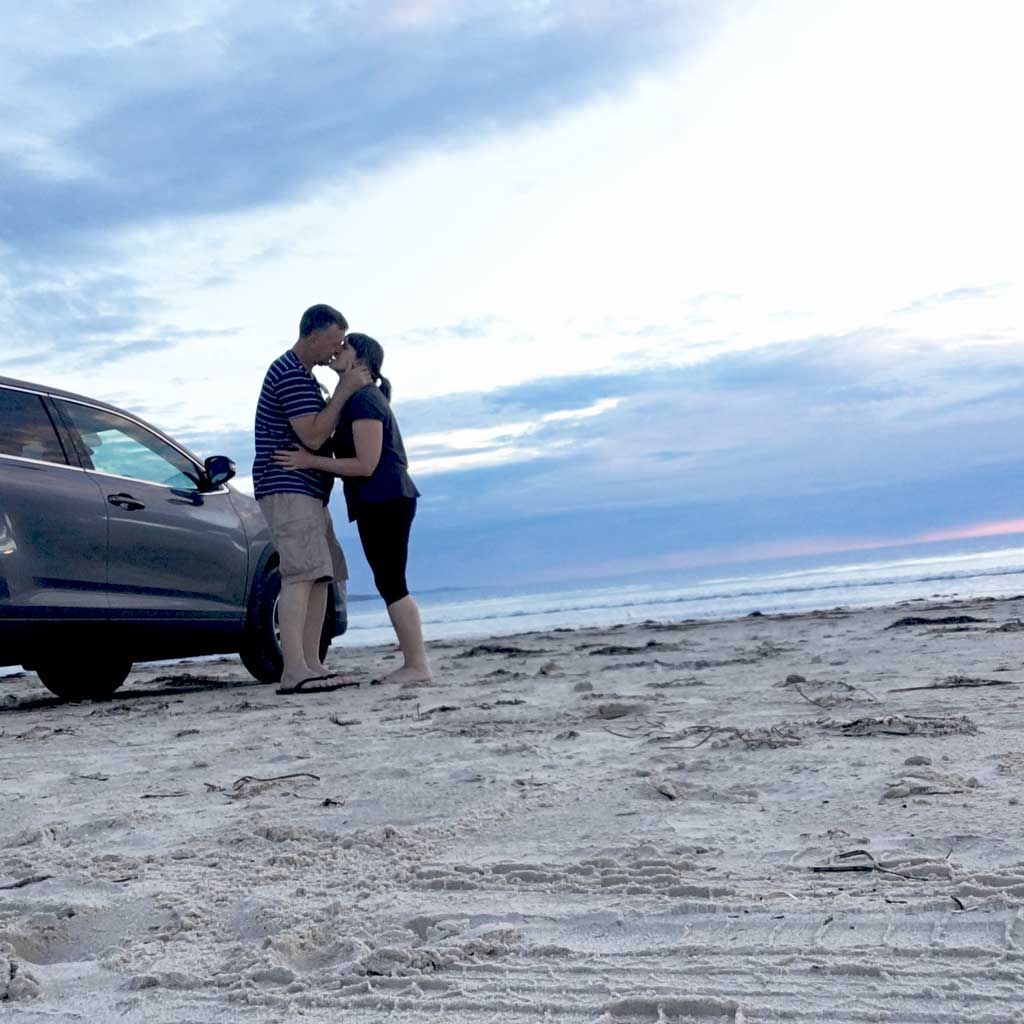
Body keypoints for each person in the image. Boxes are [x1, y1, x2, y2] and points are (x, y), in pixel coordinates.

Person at [273, 332, 431, 685]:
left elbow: (365, 465)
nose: (337, 350)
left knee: (392, 583)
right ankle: (415, 663)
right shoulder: (353, 399)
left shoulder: (364, 401)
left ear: (361, 362)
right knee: (389, 581)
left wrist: (309, 460)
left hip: (387, 499)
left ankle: (417, 665)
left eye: (345, 347)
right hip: (379, 501)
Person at [252, 304, 370, 694]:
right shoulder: (289, 375)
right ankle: (294, 670)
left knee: (322, 575)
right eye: (334, 341)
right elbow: (315, 436)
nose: (335, 350)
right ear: (313, 335)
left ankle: (313, 665)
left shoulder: (303, 377)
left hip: (309, 491)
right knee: (301, 574)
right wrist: (344, 390)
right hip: (288, 487)